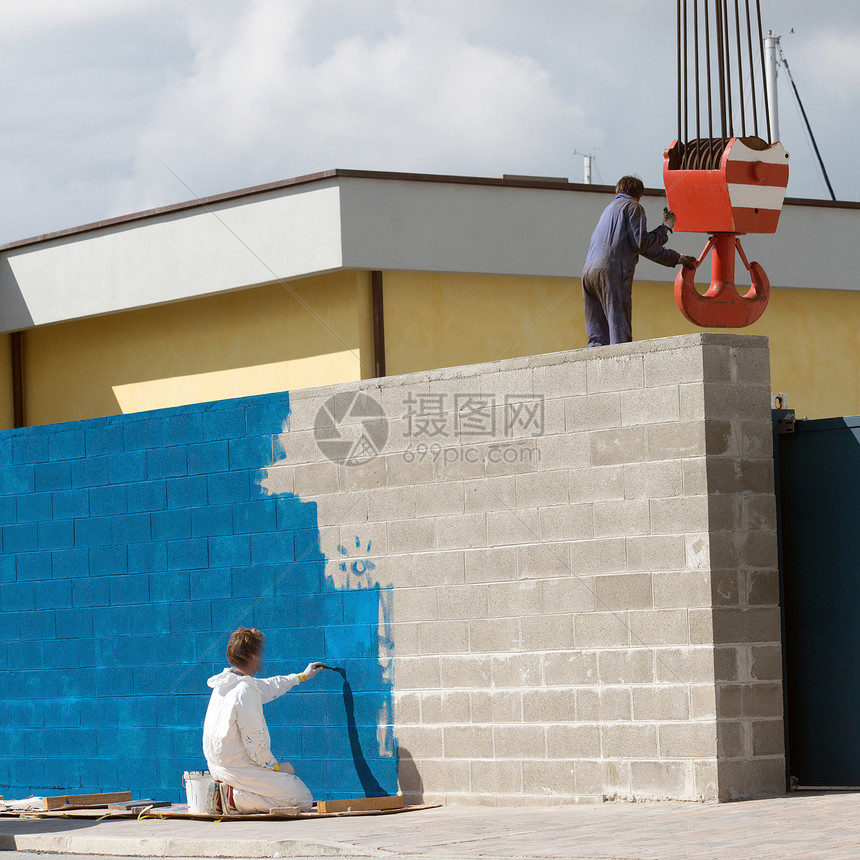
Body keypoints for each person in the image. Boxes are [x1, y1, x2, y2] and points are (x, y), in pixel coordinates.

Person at [203, 626, 326, 813]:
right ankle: (233, 799)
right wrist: (275, 767)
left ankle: (232, 793)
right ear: (252, 656)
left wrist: (301, 676)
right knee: (302, 799)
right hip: (239, 769)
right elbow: (255, 741)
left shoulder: (225, 685)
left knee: (283, 792)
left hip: (219, 767)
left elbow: (269, 686)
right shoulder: (245, 691)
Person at [582, 175, 697, 347]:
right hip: (612, 271)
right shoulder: (633, 207)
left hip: (588, 274)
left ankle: (594, 369)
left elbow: (639, 247)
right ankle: (623, 369)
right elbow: (642, 242)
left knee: (597, 335)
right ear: (639, 195)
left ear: (617, 191)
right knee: (619, 328)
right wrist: (665, 228)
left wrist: (676, 257)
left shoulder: (609, 210)